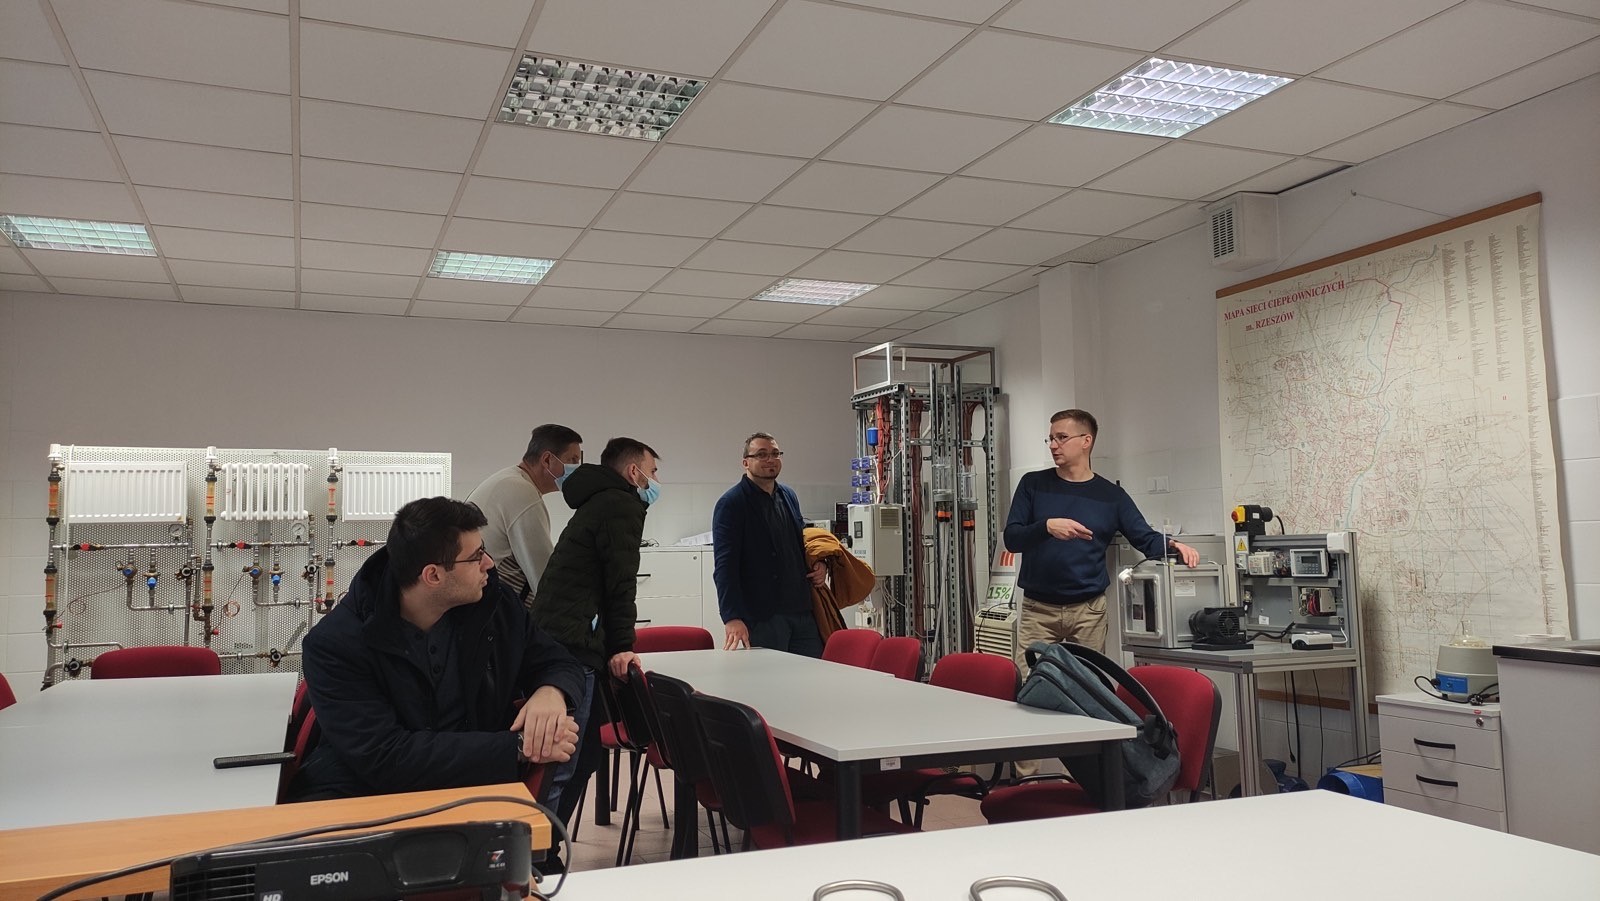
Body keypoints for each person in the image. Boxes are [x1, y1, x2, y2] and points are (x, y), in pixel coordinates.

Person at [291, 497, 584, 802]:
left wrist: (551, 692)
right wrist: (518, 747)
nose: (489, 563)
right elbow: (384, 757)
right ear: (433, 575)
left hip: (475, 786)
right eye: (476, 556)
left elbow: (559, 661)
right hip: (369, 797)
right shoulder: (335, 645)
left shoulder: (495, 605)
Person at [530, 437, 660, 828]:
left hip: (559, 634)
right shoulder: (622, 504)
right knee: (565, 761)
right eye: (653, 472)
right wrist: (622, 646)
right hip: (572, 643)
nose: (656, 482)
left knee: (583, 755)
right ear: (634, 472)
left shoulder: (600, 500)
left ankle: (547, 846)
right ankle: (540, 851)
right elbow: (621, 582)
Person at [1004, 409, 1199, 656]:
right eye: (1051, 438)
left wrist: (1173, 545)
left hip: (1089, 611)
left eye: (1061, 437)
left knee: (1087, 678)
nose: (1053, 445)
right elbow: (1012, 539)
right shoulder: (1032, 484)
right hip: (1038, 610)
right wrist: (1047, 526)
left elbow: (1143, 537)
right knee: (1031, 678)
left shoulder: (1111, 496)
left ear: (1086, 441)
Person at [713, 432, 828, 656]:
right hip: (764, 617)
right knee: (771, 677)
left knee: (813, 674)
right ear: (746, 462)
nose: (770, 459)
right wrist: (731, 617)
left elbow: (799, 545)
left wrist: (820, 565)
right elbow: (725, 567)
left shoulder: (788, 496)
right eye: (762, 454)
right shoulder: (732, 503)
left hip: (802, 611)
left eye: (775, 453)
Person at [467, 424, 584, 603]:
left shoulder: (508, 480)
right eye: (573, 461)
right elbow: (545, 579)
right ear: (547, 460)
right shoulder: (522, 492)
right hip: (489, 604)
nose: (577, 469)